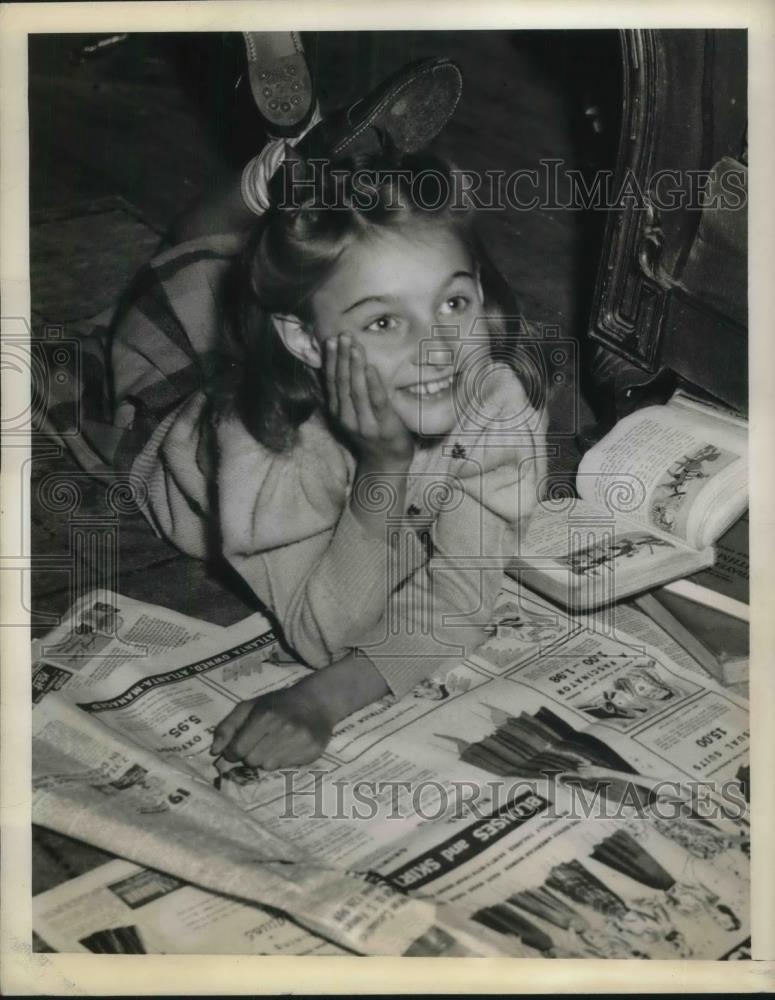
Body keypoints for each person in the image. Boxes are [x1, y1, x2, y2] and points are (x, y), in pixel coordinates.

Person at [108, 59, 547, 772]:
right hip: (164, 415)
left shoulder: (491, 397)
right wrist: (382, 468)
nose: (437, 346)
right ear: (308, 342)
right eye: (382, 323)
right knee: (186, 267)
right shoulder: (260, 443)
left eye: (453, 302)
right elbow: (325, 635)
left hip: (286, 344)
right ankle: (274, 180)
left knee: (266, 262)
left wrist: (321, 701)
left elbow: (463, 594)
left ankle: (303, 180)